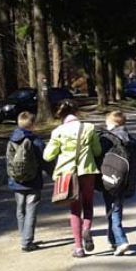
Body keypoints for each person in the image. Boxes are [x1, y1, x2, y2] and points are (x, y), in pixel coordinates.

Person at [43, 100, 102, 258]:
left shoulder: (58, 132)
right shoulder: (89, 128)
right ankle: (86, 229)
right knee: (88, 204)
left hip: (67, 174)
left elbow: (47, 156)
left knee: (75, 209)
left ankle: (78, 248)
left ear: (61, 115)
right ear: (76, 112)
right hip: (87, 171)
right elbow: (97, 151)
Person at [98, 110, 136, 256]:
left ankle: (121, 241)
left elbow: (99, 156)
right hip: (127, 180)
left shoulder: (106, 138)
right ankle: (112, 240)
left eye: (107, 122)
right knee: (115, 208)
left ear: (112, 124)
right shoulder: (130, 139)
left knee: (113, 210)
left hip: (110, 179)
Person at [6, 111, 46, 252]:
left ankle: (24, 237)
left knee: (20, 210)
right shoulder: (36, 141)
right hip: (33, 181)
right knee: (31, 210)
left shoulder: (11, 140)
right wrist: (54, 174)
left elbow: (8, 161)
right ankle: (27, 242)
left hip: (16, 181)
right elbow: (44, 160)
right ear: (32, 125)